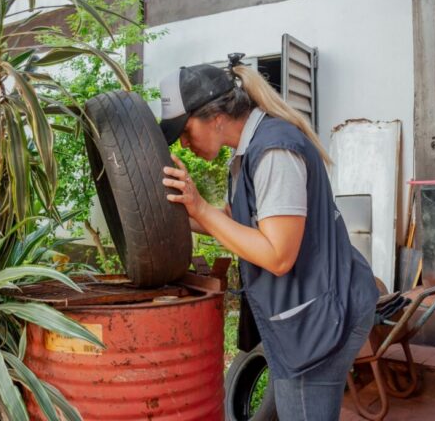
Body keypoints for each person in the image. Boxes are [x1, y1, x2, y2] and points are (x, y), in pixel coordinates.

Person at [158, 53, 379, 420]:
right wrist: (182, 210)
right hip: (302, 311)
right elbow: (235, 221)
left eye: (185, 131)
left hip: (323, 317)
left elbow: (278, 255)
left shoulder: (274, 150)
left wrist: (201, 209)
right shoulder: (244, 154)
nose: (182, 144)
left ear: (214, 118)